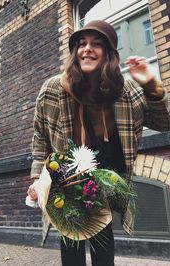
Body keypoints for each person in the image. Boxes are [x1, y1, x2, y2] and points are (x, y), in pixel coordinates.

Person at [27, 20, 170, 266]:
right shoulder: (53, 89)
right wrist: (37, 179)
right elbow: (40, 136)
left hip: (103, 179)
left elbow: (164, 122)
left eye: (97, 44)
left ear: (109, 54)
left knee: (103, 245)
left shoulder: (126, 91)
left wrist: (150, 85)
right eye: (82, 44)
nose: (87, 49)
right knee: (70, 246)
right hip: (65, 180)